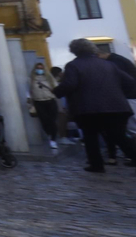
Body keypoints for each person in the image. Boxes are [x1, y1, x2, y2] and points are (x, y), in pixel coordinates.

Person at [53, 40, 136, 173]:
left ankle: (96, 165)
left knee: (90, 136)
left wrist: (57, 92)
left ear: (74, 51)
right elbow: (129, 81)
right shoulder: (109, 64)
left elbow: (69, 84)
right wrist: (118, 93)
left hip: (88, 108)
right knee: (119, 136)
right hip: (116, 106)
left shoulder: (73, 65)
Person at [29, 60, 60, 150]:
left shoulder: (49, 78)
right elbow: (29, 91)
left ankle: (53, 139)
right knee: (44, 120)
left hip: (50, 100)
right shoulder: (31, 79)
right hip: (38, 102)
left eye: (41, 68)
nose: (40, 70)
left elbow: (56, 87)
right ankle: (49, 134)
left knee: (52, 120)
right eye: (38, 68)